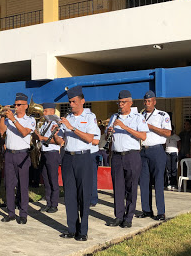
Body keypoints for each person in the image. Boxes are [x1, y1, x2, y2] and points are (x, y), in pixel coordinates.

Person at [53, 86, 100, 242]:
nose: (71, 104)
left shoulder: (90, 116)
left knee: (84, 195)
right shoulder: (68, 117)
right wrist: (56, 133)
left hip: (83, 158)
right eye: (69, 102)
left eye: (74, 101)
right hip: (68, 157)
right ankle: (72, 229)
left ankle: (83, 230)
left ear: (82, 101)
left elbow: (89, 138)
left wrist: (71, 128)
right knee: (70, 196)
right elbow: (60, 140)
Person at [105, 90, 148, 228]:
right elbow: (106, 137)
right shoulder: (114, 117)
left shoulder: (137, 117)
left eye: (123, 102)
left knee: (131, 187)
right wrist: (109, 133)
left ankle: (128, 217)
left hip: (132, 155)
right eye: (119, 102)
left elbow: (143, 136)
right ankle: (118, 216)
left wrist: (124, 127)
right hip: (117, 155)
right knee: (117, 187)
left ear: (130, 102)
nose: (120, 105)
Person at [0, 93, 35, 224]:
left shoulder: (30, 120)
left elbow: (24, 132)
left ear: (26, 106)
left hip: (22, 154)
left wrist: (13, 119)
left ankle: (23, 214)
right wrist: (3, 116)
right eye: (15, 104)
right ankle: (10, 213)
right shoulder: (8, 119)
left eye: (19, 105)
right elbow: (2, 131)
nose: (16, 106)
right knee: (9, 185)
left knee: (23, 185)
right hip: (9, 154)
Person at [137, 90, 172, 221]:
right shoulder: (139, 115)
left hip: (157, 151)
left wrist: (150, 126)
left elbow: (168, 133)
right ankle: (146, 210)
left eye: (149, 101)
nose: (147, 103)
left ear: (154, 102)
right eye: (145, 101)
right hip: (143, 151)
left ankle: (161, 212)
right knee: (144, 182)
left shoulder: (162, 115)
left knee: (157, 182)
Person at [34, 102, 61, 213]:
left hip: (52, 153)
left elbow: (58, 141)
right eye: (43, 111)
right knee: (46, 179)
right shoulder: (45, 124)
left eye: (45, 111)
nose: (43, 113)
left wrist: (42, 138)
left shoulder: (57, 124)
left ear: (52, 112)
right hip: (44, 153)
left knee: (53, 179)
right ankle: (48, 202)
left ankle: (54, 204)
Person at [165, 126, 180, 190]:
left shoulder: (176, 137)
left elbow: (179, 145)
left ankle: (174, 183)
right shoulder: (166, 137)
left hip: (174, 153)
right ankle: (168, 183)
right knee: (168, 169)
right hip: (167, 152)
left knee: (174, 168)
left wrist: (177, 151)